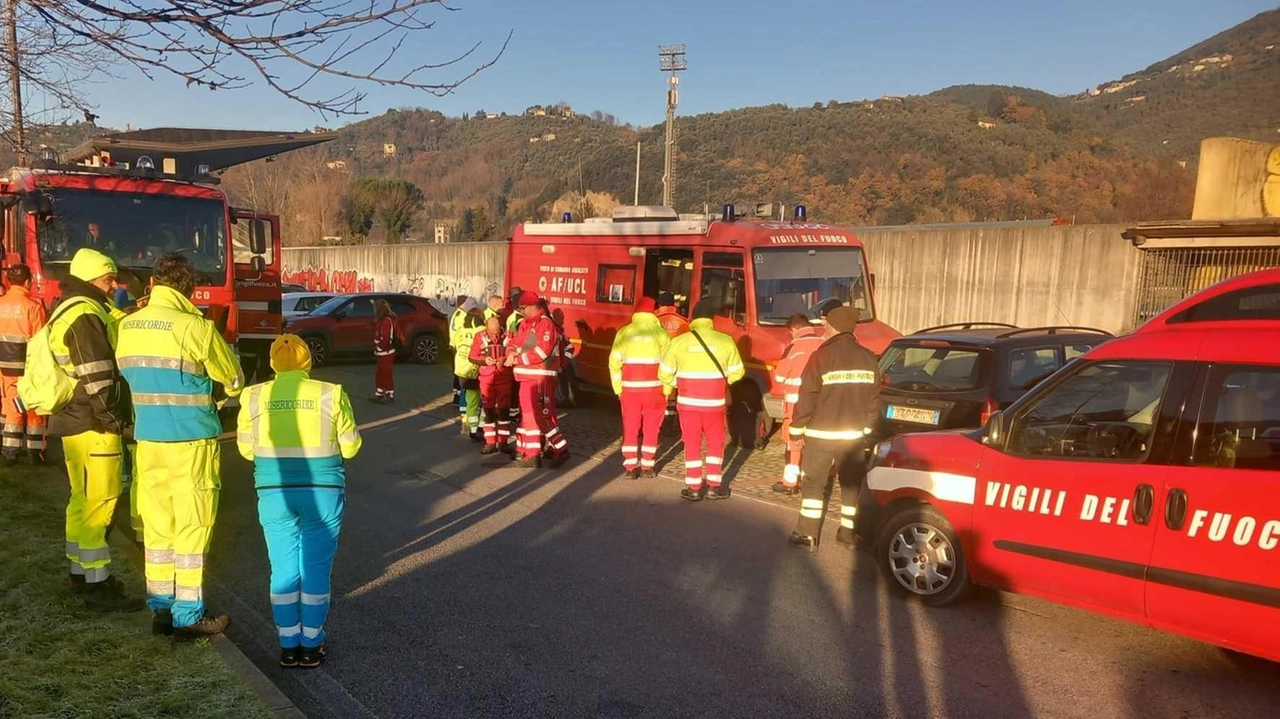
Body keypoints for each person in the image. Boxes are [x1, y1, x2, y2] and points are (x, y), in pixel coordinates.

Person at [116, 253, 244, 636]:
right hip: (190, 442)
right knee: (192, 526)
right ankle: (188, 614)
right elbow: (232, 378)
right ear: (188, 290)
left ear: (154, 284)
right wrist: (217, 395)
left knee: (157, 528)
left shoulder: (128, 325)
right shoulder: (195, 328)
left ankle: (161, 607)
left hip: (149, 441)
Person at [237, 335, 362, 669]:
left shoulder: (253, 396)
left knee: (283, 568)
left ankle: (287, 644)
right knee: (316, 569)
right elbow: (350, 447)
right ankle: (312, 643)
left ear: (273, 363)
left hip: (274, 491)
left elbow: (246, 451)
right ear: (308, 363)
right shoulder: (330, 393)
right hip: (322, 491)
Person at [46, 248, 140, 611]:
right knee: (100, 501)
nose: (113, 284)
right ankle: (97, 585)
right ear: (90, 279)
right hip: (93, 422)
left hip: (75, 420)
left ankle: (80, 573)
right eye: (107, 279)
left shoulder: (71, 306)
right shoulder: (85, 315)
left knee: (81, 500)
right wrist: (115, 422)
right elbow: (98, 378)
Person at [786, 306, 880, 552]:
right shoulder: (869, 357)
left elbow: (806, 397)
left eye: (827, 324)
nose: (823, 328)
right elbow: (874, 400)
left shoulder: (821, 357)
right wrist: (867, 430)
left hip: (820, 436)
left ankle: (807, 534)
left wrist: (796, 429)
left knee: (814, 483)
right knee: (851, 486)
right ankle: (848, 533)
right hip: (853, 437)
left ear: (836, 326)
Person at [658, 300, 744, 501]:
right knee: (715, 443)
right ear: (712, 319)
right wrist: (721, 382)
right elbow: (737, 372)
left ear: (694, 319)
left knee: (692, 443)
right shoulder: (725, 341)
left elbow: (665, 373)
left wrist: (680, 384)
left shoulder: (679, 342)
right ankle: (714, 486)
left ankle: (694, 487)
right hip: (715, 404)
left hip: (688, 404)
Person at [504, 290, 569, 468]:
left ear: (534, 306)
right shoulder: (527, 323)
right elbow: (515, 344)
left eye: (523, 308)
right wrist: (511, 352)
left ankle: (554, 450)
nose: (522, 311)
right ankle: (528, 451)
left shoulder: (544, 324)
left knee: (538, 415)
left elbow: (540, 352)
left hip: (539, 377)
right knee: (527, 416)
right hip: (527, 376)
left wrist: (517, 358)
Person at [609, 297, 670, 480]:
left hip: (630, 390)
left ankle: (629, 467)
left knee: (630, 426)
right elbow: (668, 366)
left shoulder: (624, 333)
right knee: (652, 428)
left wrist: (618, 388)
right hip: (655, 390)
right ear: (653, 312)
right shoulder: (661, 334)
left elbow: (614, 363)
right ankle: (647, 467)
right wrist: (668, 390)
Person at [771, 313, 826, 496]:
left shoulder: (793, 347)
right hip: (821, 403)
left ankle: (790, 482)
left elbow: (779, 377)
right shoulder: (824, 343)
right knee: (814, 443)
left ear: (793, 330)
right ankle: (810, 481)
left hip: (795, 405)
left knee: (793, 444)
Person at [0, 264, 48, 464]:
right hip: (26, 366)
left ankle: (10, 451)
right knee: (33, 406)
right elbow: (39, 341)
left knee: (10, 405)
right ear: (28, 282)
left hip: (3, 365)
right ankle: (34, 452)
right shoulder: (34, 308)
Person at [469, 313, 514, 454]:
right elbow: (472, 356)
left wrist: (505, 358)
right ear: (487, 328)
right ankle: (490, 443)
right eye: (492, 333)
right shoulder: (479, 336)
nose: (495, 336)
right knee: (488, 411)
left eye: (497, 332)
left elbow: (516, 351)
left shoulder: (509, 336)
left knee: (504, 411)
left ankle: (503, 442)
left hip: (504, 377)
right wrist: (484, 360)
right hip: (487, 378)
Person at [654, 291, 689, 425]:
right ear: (673, 304)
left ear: (660, 304)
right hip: (675, 363)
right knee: (672, 394)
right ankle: (669, 424)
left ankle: (654, 422)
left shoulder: (654, 319)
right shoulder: (682, 321)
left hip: (656, 362)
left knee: (656, 394)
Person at [453, 308, 484, 441]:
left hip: (461, 370)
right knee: (485, 400)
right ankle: (482, 426)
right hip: (477, 370)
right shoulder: (481, 330)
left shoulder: (461, 330)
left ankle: (472, 429)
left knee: (471, 401)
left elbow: (456, 345)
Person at [373, 299, 396, 402]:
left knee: (385, 372)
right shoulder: (383, 320)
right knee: (381, 372)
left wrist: (380, 347)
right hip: (383, 351)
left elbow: (386, 338)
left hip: (386, 351)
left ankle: (388, 391)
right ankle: (381, 391)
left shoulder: (386, 321)